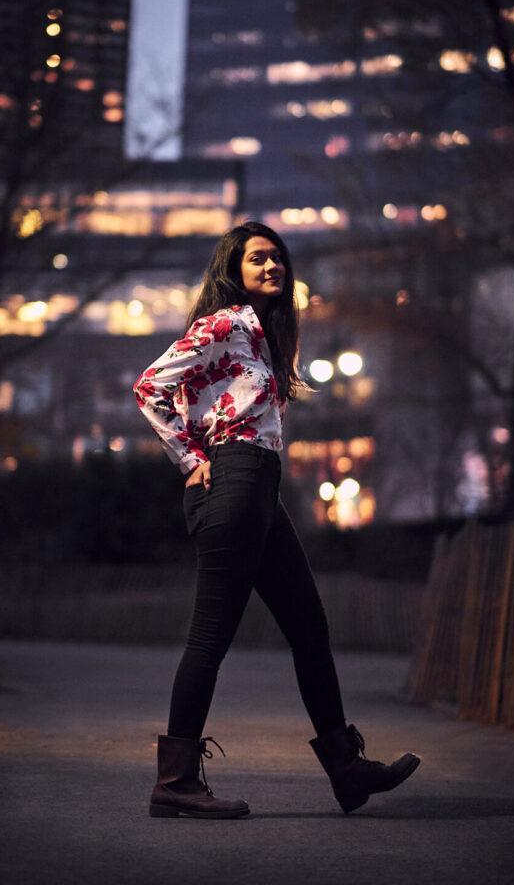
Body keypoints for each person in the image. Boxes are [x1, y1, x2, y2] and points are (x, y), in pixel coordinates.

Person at [133, 221, 419, 819]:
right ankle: (175, 782)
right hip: (231, 481)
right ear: (232, 269)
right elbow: (149, 385)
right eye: (258, 258)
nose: (272, 267)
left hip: (260, 484)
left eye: (277, 259)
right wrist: (190, 459)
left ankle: (346, 769)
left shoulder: (261, 335)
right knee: (211, 636)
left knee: (310, 629)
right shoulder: (226, 322)